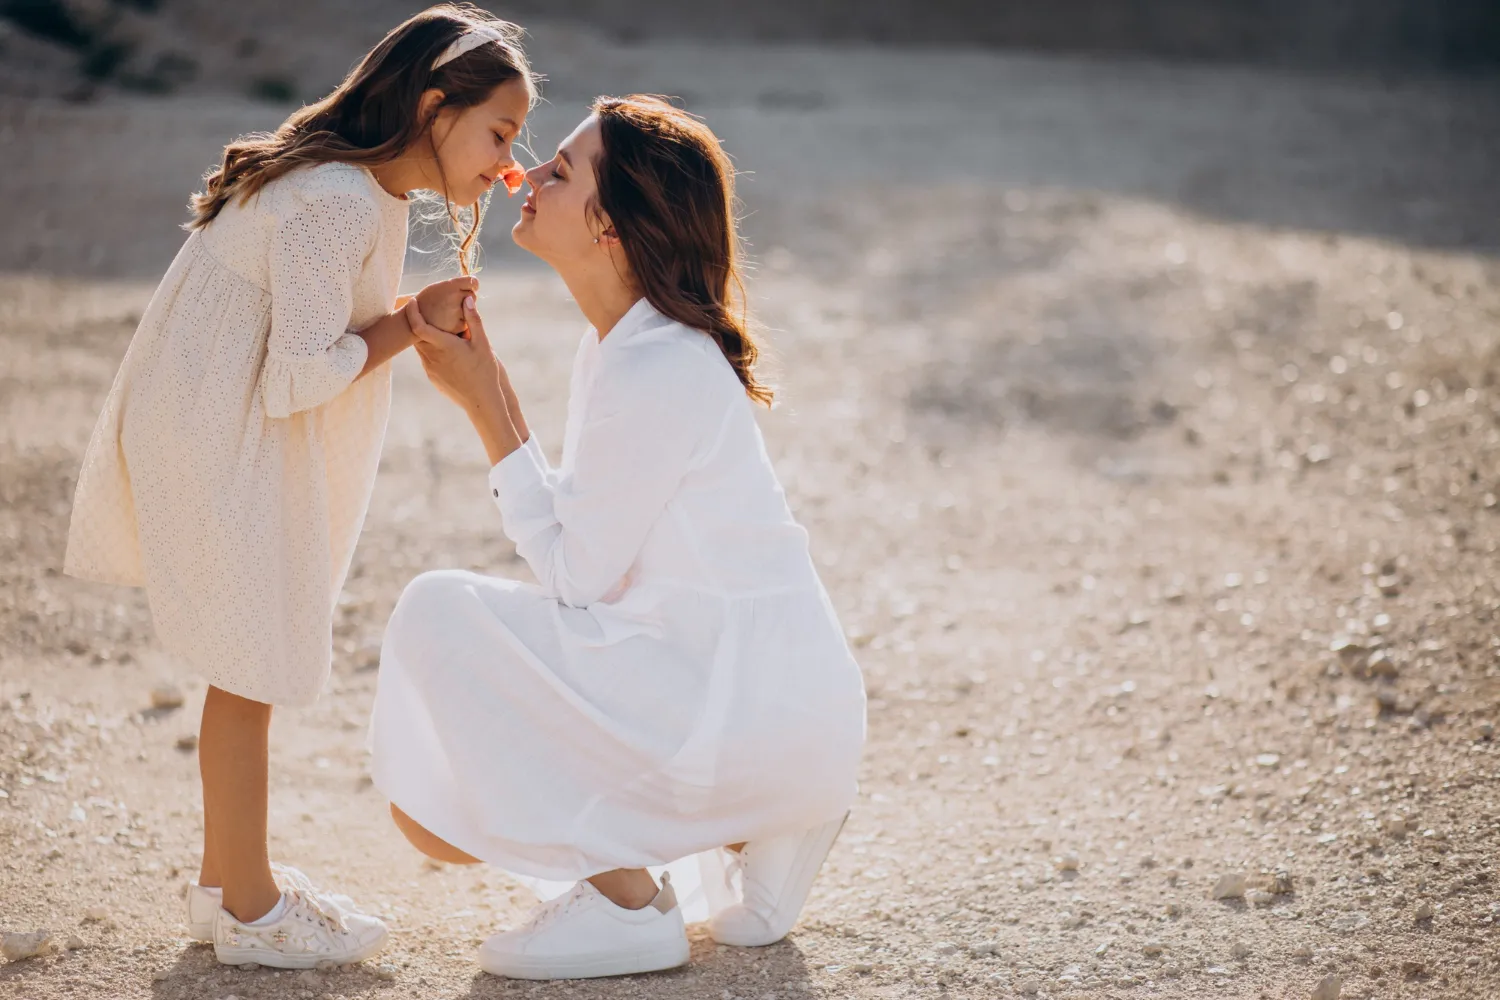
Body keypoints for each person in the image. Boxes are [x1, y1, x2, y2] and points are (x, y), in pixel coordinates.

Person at [62, 5, 536, 969]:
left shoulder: (366, 191)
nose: (509, 165)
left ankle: (221, 888)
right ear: (434, 108)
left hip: (219, 424)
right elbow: (297, 375)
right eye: (501, 134)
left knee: (248, 659)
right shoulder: (337, 199)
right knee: (250, 666)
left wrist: (407, 314)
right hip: (221, 435)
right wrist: (409, 325)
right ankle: (251, 907)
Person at [368, 95, 867, 981]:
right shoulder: (627, 349)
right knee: (472, 673)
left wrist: (486, 403)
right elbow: (590, 542)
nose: (525, 172)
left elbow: (577, 580)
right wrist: (495, 391)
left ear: (615, 229)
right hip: (771, 705)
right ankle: (764, 815)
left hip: (744, 706)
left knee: (438, 610)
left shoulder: (657, 362)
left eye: (561, 171)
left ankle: (629, 905)